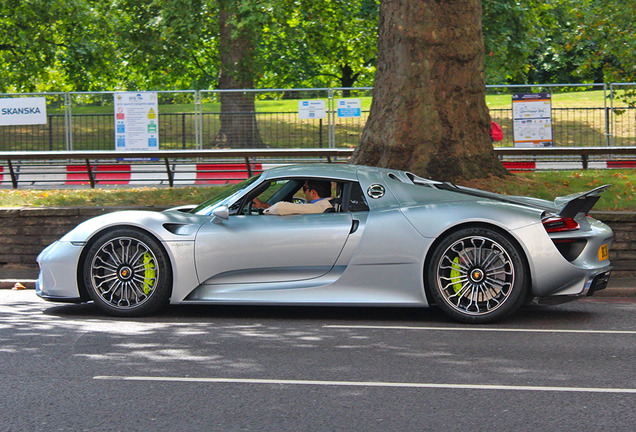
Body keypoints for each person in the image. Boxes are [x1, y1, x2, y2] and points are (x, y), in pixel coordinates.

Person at [252, 180, 333, 215]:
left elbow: (280, 207)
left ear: (313, 193)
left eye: (304, 188)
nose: (303, 192)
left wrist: (265, 208)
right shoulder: (327, 204)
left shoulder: (320, 207)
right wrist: (264, 205)